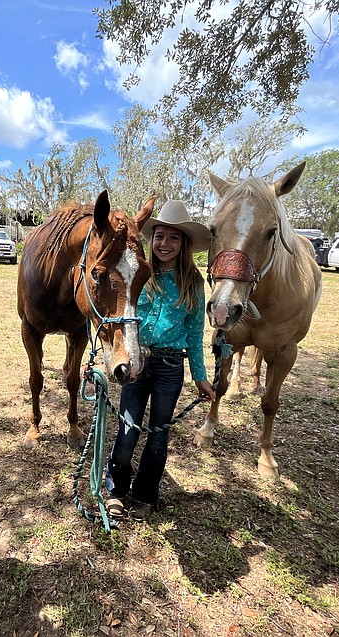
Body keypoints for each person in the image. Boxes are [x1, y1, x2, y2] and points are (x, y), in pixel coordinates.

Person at [105, 200, 216, 522]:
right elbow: (117, 318)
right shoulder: (139, 272)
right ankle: (116, 490)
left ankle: (145, 493)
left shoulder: (193, 283)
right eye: (159, 236)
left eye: (174, 238)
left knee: (158, 436)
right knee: (127, 432)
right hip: (137, 362)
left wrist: (199, 375)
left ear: (184, 245)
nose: (164, 244)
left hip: (170, 367)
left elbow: (195, 334)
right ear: (151, 240)